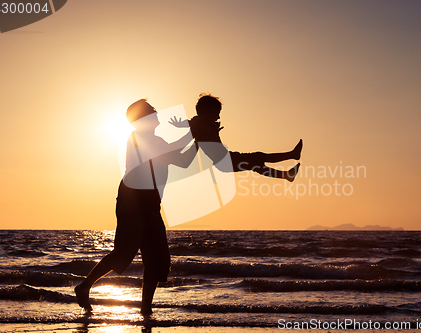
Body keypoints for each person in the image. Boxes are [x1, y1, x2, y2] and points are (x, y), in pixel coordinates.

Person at [75, 99, 195, 315]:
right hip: (134, 200)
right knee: (126, 252)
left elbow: (184, 159)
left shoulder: (153, 140)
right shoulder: (141, 139)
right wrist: (195, 133)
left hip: (148, 201)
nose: (157, 113)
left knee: (156, 257)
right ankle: (85, 286)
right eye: (151, 112)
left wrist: (197, 136)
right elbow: (181, 157)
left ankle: (145, 309)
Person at [170, 93, 302, 182]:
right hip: (224, 162)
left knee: (258, 156)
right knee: (256, 164)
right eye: (216, 113)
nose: (218, 117)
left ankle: (291, 155)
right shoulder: (199, 122)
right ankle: (286, 174)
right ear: (206, 112)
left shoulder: (206, 124)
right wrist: (179, 124)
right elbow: (190, 123)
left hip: (229, 157)